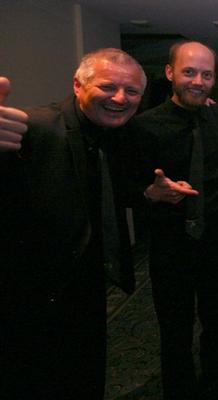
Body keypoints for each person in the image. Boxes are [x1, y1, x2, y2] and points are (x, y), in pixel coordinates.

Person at [0, 48, 146, 400]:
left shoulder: (117, 134)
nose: (120, 98)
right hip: (30, 297)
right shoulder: (32, 127)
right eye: (108, 86)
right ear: (77, 86)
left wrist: (149, 195)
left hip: (89, 286)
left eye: (132, 91)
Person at [132, 40, 218, 400]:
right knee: (175, 332)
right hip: (170, 247)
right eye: (189, 72)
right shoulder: (144, 127)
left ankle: (215, 389)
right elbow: (127, 187)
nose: (198, 81)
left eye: (206, 74)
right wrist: (151, 193)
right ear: (169, 73)